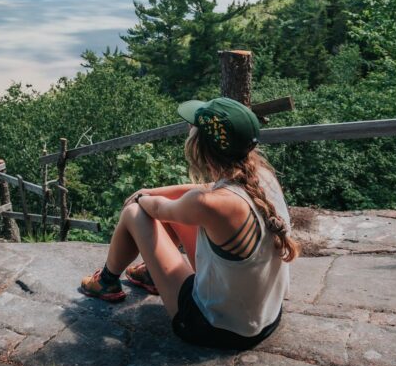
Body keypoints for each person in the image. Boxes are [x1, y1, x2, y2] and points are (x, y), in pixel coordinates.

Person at [80, 97, 299, 350]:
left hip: (215, 327)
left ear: (202, 146)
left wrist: (142, 196)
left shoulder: (207, 204)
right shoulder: (262, 177)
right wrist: (153, 189)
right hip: (264, 317)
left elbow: (160, 208)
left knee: (133, 212)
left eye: (192, 128)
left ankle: (106, 281)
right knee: (174, 208)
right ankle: (152, 274)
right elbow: (203, 191)